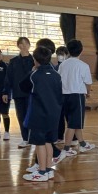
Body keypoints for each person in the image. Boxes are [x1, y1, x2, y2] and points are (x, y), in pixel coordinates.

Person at [20, 46, 63, 182]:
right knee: (49, 142)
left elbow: (23, 86)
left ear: (35, 60)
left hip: (39, 115)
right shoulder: (57, 75)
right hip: (54, 115)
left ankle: (42, 171)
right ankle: (49, 170)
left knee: (39, 144)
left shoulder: (35, 75)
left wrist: (32, 71)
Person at [58, 39, 95, 155]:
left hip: (64, 96)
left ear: (68, 51)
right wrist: (88, 93)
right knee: (73, 124)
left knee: (75, 122)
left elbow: (59, 80)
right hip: (77, 97)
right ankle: (66, 149)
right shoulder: (83, 66)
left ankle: (83, 144)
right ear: (81, 50)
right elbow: (88, 83)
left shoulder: (63, 64)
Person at [3, 37, 34, 148]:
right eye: (21, 44)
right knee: (21, 116)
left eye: (26, 43)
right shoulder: (13, 61)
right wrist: (5, 92)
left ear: (29, 45)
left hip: (31, 93)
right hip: (18, 93)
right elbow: (8, 78)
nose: (24, 46)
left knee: (32, 116)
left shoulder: (34, 60)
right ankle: (25, 139)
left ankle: (33, 138)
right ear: (18, 46)